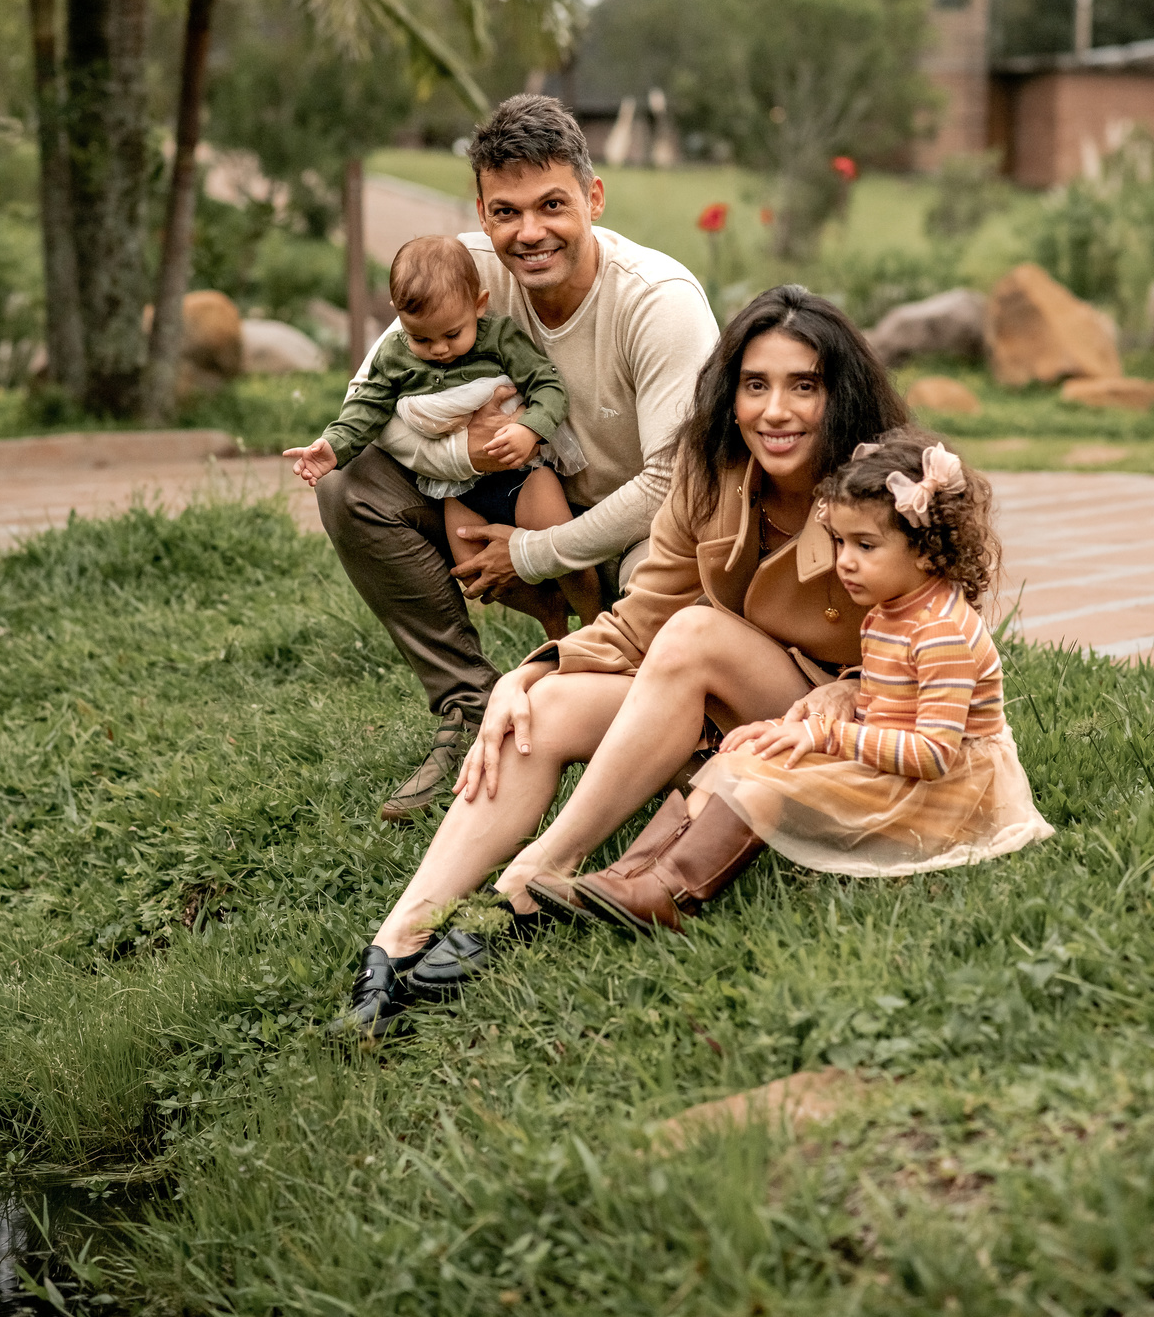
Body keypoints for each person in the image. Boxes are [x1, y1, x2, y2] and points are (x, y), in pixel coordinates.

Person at [335, 284, 912, 1040]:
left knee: (699, 634)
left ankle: (538, 874)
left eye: (805, 386)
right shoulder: (710, 476)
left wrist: (858, 689)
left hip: (829, 723)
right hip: (714, 709)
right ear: (729, 396)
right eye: (755, 385)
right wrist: (529, 672)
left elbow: (942, 631)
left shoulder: (889, 486)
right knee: (537, 714)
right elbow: (643, 621)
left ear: (841, 396)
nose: (777, 411)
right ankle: (400, 936)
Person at [296, 95, 718, 821]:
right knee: (351, 487)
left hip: (648, 533)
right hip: (508, 497)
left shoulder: (658, 302)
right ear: (483, 210)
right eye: (505, 211)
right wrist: (463, 453)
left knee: (666, 563)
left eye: (552, 205)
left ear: (593, 196)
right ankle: (469, 707)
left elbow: (668, 486)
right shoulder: (467, 271)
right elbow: (366, 398)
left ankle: (651, 738)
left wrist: (532, 554)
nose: (529, 232)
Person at [570, 429, 1053, 928]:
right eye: (840, 541)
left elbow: (932, 755)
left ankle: (668, 895)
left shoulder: (941, 633)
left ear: (927, 552)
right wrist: (797, 724)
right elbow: (892, 702)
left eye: (866, 545)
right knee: (748, 754)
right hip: (898, 765)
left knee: (760, 787)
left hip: (946, 797)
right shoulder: (891, 611)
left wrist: (824, 736)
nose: (844, 561)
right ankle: (630, 876)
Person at [285, 234, 601, 636]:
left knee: (565, 555)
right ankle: (552, 620)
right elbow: (368, 406)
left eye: (452, 334)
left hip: (523, 476)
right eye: (422, 339)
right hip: (458, 490)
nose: (438, 349)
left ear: (479, 305)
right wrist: (334, 446)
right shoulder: (394, 356)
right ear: (399, 316)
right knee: (473, 575)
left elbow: (548, 386)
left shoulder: (499, 337)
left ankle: (596, 625)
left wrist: (529, 428)